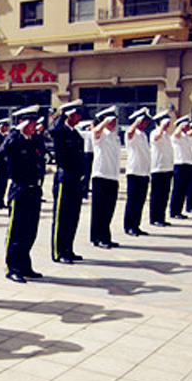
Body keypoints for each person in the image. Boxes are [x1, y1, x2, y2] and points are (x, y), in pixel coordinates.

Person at [0, 105, 45, 283]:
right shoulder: (14, 140)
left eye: (34, 122)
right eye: (30, 122)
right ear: (21, 122)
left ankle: (25, 265)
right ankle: (12, 267)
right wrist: (15, 131)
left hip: (34, 190)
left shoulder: (34, 140)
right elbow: (2, 150)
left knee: (30, 231)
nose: (34, 125)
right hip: (20, 190)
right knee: (16, 232)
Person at [50, 99, 85, 264]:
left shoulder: (76, 135)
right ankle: (58, 251)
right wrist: (61, 113)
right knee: (62, 217)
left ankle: (68, 249)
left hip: (75, 179)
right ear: (69, 115)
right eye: (76, 114)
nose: (79, 117)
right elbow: (53, 129)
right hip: (64, 178)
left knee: (72, 216)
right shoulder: (60, 132)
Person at [90, 106, 121, 248]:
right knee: (99, 210)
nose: (114, 123)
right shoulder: (100, 134)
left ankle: (105, 236)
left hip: (112, 176)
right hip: (101, 176)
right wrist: (104, 122)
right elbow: (95, 131)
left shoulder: (115, 137)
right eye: (111, 120)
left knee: (109, 210)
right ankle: (97, 237)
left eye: (114, 120)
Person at [124, 108, 151, 236]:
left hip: (143, 172)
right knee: (132, 201)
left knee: (140, 201)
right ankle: (129, 226)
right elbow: (129, 132)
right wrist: (136, 122)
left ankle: (136, 225)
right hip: (134, 171)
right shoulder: (132, 133)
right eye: (144, 121)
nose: (146, 124)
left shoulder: (143, 135)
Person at [149, 110, 173, 227]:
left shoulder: (167, 135)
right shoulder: (154, 132)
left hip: (167, 168)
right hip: (158, 168)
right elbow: (156, 137)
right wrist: (161, 127)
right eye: (166, 122)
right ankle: (154, 218)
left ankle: (161, 217)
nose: (168, 125)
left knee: (164, 195)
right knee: (157, 196)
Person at [170, 115, 192, 220]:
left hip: (187, 164)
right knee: (178, 190)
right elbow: (176, 134)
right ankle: (174, 211)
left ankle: (179, 210)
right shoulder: (176, 136)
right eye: (186, 125)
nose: (188, 127)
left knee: (183, 190)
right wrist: (180, 126)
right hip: (179, 165)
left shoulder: (185, 136)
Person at [76, 120, 94, 200]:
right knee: (87, 174)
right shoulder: (90, 133)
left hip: (89, 154)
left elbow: (78, 131)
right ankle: (84, 191)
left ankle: (84, 191)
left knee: (87, 174)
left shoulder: (89, 133)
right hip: (89, 154)